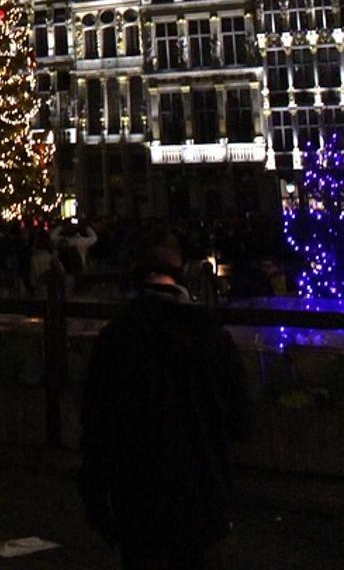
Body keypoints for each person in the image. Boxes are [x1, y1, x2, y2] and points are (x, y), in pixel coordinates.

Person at [79, 235, 251, 570]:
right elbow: (241, 418)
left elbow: (98, 420)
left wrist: (96, 491)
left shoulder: (117, 337)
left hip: (138, 491)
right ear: (181, 276)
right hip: (201, 485)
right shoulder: (213, 336)